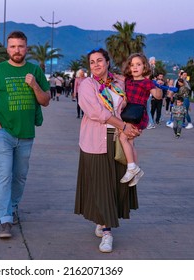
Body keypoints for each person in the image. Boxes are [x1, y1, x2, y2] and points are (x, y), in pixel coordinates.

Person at [0, 31, 50, 239]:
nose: (16, 50)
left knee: (19, 176)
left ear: (26, 48)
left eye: (20, 46)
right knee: (4, 174)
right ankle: (5, 219)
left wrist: (34, 85)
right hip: (4, 133)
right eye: (13, 46)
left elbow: (45, 100)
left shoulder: (34, 71)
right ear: (7, 48)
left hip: (27, 134)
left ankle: (12, 207)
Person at [74, 48, 141, 253]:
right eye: (92, 62)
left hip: (119, 141)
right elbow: (96, 112)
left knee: (115, 186)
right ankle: (107, 232)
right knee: (101, 185)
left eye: (99, 60)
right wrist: (123, 126)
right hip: (96, 142)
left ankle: (103, 220)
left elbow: (135, 101)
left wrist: (135, 126)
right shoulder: (87, 85)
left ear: (107, 62)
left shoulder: (119, 82)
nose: (96, 65)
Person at [119, 53, 163, 186]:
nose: (135, 67)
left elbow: (157, 95)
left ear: (145, 67)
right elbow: (117, 78)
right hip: (128, 113)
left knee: (123, 138)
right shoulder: (128, 80)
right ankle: (135, 171)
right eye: (132, 65)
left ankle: (132, 167)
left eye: (138, 64)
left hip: (137, 114)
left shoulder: (147, 82)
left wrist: (158, 89)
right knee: (130, 141)